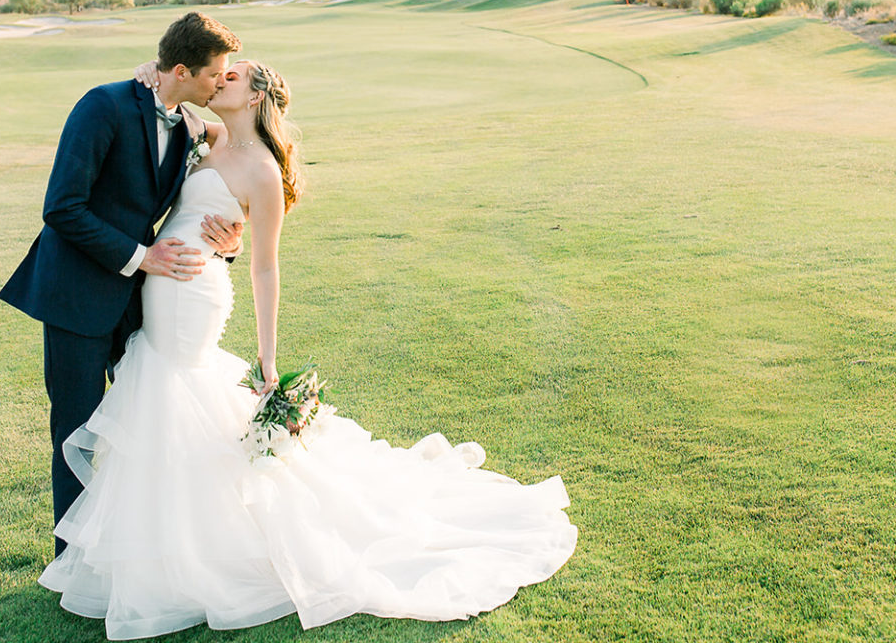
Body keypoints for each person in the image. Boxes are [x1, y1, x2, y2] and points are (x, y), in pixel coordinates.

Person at [38, 59, 577, 637]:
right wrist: (147, 72)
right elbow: (167, 101)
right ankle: (150, 546)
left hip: (192, 295)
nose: (219, 80)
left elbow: (266, 268)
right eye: (219, 73)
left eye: (233, 77)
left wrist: (268, 357)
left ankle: (186, 555)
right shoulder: (210, 134)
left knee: (174, 397)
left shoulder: (265, 171)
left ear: (255, 98)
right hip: (157, 285)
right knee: (166, 409)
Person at [0, 12, 246, 555]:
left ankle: (139, 550)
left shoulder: (188, 125)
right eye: (214, 75)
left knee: (141, 425)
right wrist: (141, 256)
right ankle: (76, 561)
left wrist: (230, 238)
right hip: (77, 298)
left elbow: (227, 153)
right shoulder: (102, 106)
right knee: (78, 431)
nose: (220, 84)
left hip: (138, 304)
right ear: (182, 69)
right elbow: (62, 207)